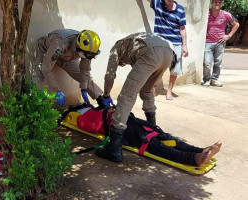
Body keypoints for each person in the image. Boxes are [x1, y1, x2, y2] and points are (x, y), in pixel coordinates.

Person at [96, 32, 177, 162]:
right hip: (168, 52)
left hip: (151, 53)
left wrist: (106, 94)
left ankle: (114, 148)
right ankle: (152, 129)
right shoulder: (132, 45)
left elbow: (110, 75)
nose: (123, 64)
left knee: (126, 96)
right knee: (146, 90)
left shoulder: (115, 49)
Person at [77, 107, 222, 166]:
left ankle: (198, 153)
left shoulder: (94, 111)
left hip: (130, 126)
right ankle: (196, 155)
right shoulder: (94, 113)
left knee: (159, 139)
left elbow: (87, 124)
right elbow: (88, 125)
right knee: (157, 140)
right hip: (129, 127)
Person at [33, 29, 105, 106]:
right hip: (47, 53)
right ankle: (35, 106)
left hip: (66, 57)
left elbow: (85, 70)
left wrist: (84, 88)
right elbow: (46, 68)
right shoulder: (60, 43)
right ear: (78, 45)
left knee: (85, 77)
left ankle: (101, 99)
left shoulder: (86, 49)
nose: (88, 57)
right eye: (87, 55)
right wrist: (57, 90)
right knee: (38, 79)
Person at [147, 0, 189, 100]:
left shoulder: (180, 9)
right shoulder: (157, 3)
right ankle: (152, 88)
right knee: (155, 67)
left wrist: (184, 46)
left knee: (175, 69)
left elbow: (182, 28)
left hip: (176, 43)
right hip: (160, 42)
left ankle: (169, 91)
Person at [202, 0, 239, 87]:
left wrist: (228, 36)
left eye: (219, 2)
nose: (217, 4)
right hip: (208, 42)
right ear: (212, 3)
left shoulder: (226, 14)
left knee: (218, 62)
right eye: (215, 2)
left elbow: (236, 24)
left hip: (220, 43)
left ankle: (214, 80)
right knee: (207, 62)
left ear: (221, 3)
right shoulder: (207, 14)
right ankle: (206, 80)